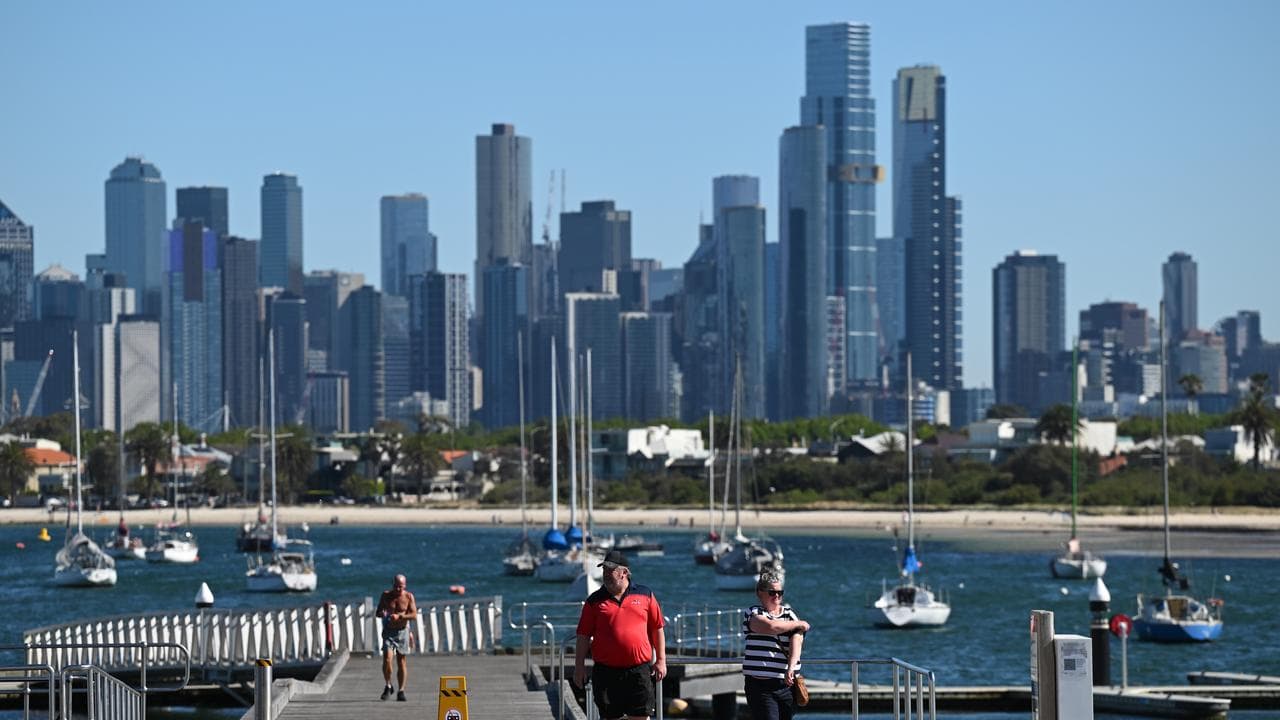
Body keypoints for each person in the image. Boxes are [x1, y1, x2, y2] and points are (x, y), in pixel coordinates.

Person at [574, 550, 667, 720]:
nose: (606, 574)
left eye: (611, 570)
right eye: (604, 570)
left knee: (640, 716)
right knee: (610, 716)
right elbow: (583, 635)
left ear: (624, 572)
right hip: (606, 672)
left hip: (638, 671)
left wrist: (661, 660)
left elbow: (657, 628)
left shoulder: (645, 594)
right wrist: (579, 666)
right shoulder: (594, 601)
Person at [742, 571, 808, 720]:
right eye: (772, 592)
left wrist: (791, 668)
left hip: (786, 685)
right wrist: (799, 623)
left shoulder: (789, 614)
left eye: (780, 592)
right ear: (760, 593)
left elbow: (797, 640)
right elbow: (771, 627)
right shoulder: (753, 613)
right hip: (760, 686)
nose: (777, 596)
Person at [376, 574, 418, 701]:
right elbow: (378, 612)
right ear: (392, 584)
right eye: (396, 586)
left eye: (400, 587)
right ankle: (388, 685)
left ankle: (401, 690)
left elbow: (414, 615)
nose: (398, 589)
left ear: (405, 585)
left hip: (402, 631)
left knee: (401, 661)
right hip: (389, 631)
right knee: (387, 659)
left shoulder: (408, 596)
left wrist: (400, 617)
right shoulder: (386, 595)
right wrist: (382, 613)